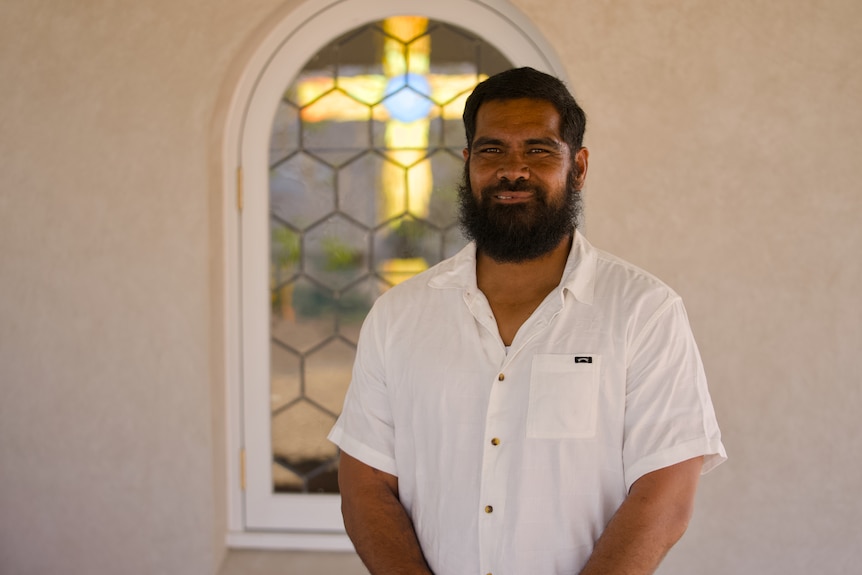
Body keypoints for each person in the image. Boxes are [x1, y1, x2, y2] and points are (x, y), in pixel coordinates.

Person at [328, 66, 726, 575]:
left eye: (538, 150)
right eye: (492, 150)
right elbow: (365, 483)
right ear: (468, 164)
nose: (512, 170)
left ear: (578, 167)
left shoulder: (644, 311)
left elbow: (665, 496)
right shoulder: (398, 315)